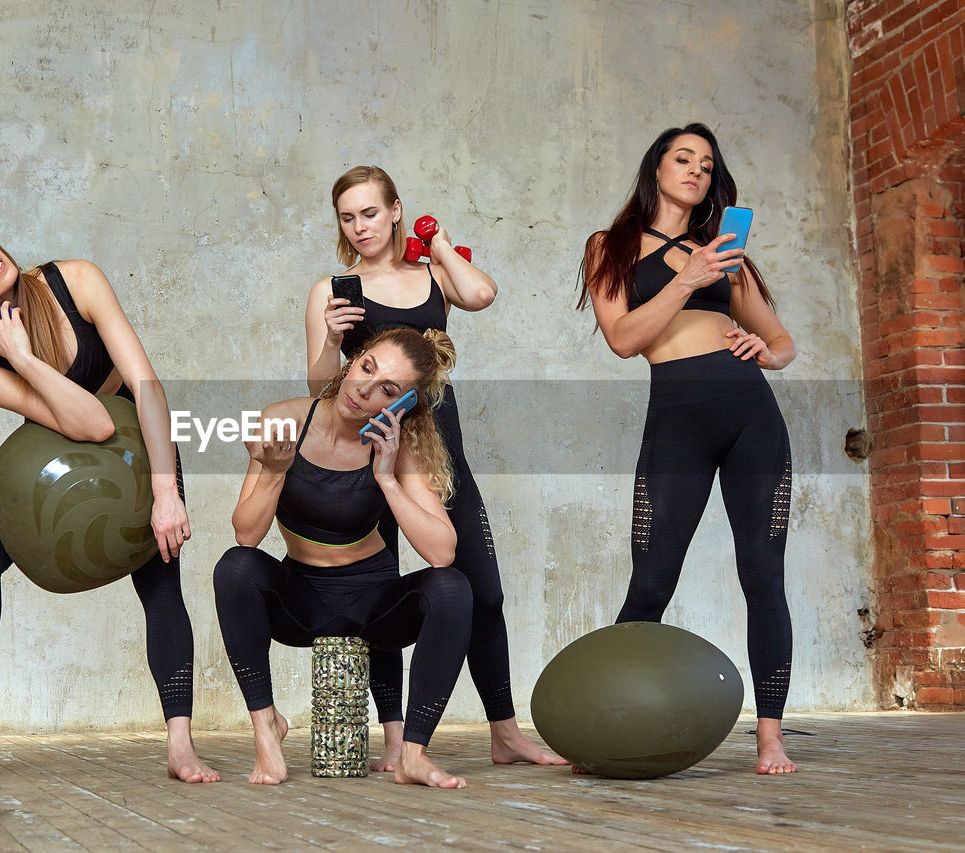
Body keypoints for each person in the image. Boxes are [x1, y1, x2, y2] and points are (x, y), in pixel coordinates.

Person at [0, 224, 218, 786]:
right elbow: (86, 423)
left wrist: (167, 492)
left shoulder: (76, 282)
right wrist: (21, 358)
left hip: (139, 445)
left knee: (161, 573)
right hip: (65, 449)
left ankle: (180, 743)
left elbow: (144, 387)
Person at [304, 166, 566, 770]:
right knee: (382, 595)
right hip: (372, 455)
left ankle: (505, 734)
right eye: (348, 217)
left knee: (486, 595)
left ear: (396, 210)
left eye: (370, 212)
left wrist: (439, 243)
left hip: (441, 451)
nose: (359, 226)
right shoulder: (334, 288)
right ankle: (397, 742)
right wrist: (328, 340)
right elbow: (320, 385)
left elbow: (481, 295)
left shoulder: (433, 274)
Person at [577, 123, 798, 774]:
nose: (697, 170)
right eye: (684, 158)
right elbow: (622, 336)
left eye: (707, 163)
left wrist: (769, 352)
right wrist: (686, 277)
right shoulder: (609, 246)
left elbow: (781, 339)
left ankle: (770, 737)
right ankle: (600, 726)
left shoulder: (725, 252)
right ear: (656, 167)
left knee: (763, 575)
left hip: (751, 415)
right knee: (650, 580)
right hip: (677, 420)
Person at [214, 328, 474, 788]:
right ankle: (266, 730)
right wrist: (275, 472)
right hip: (301, 601)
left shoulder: (399, 446)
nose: (364, 390)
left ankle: (413, 753)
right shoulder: (283, 419)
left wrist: (388, 478)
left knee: (452, 587)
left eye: (388, 391)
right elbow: (246, 532)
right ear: (353, 361)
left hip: (372, 604)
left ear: (401, 406)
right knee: (235, 567)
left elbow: (443, 551)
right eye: (367, 368)